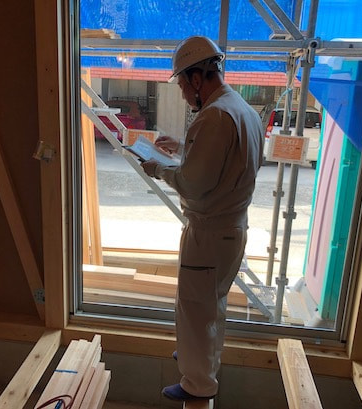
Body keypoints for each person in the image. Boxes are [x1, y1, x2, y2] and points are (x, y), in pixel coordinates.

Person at [141, 36, 264, 402]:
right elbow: (226, 160)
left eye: (182, 84)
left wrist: (159, 168)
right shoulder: (241, 109)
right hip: (231, 230)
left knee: (195, 308)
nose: (182, 93)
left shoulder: (213, 117)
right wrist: (182, 148)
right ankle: (200, 358)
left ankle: (197, 383)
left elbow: (193, 185)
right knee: (212, 304)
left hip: (209, 234)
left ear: (197, 78)